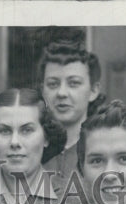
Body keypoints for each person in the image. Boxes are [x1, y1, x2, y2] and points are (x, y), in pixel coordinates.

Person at [37, 39, 106, 182]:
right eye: (53, 84)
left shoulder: (106, 149)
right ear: (43, 91)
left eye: (73, 83)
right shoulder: (28, 150)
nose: (61, 93)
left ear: (93, 90)